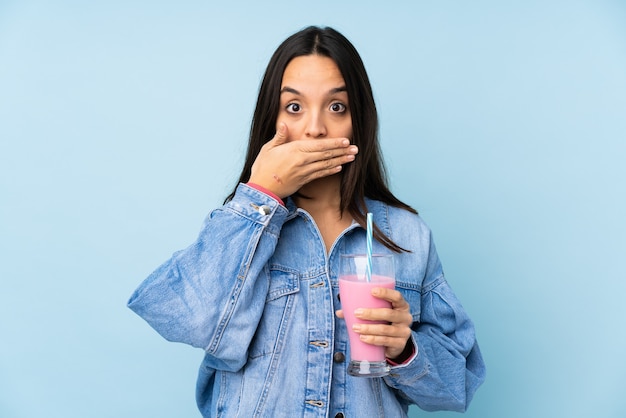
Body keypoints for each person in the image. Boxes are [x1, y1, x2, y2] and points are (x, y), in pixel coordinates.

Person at [128, 26, 485, 417]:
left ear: (358, 121)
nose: (315, 129)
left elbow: (457, 389)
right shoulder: (243, 227)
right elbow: (184, 320)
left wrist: (405, 349)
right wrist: (260, 193)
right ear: (272, 119)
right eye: (294, 107)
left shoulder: (406, 235)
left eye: (337, 107)